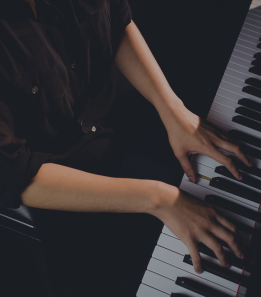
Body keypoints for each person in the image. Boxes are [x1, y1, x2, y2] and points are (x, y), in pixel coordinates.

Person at [0, 0, 251, 295]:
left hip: (125, 117)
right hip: (69, 189)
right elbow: (16, 173)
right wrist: (159, 199)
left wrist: (173, 110)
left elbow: (117, 21)